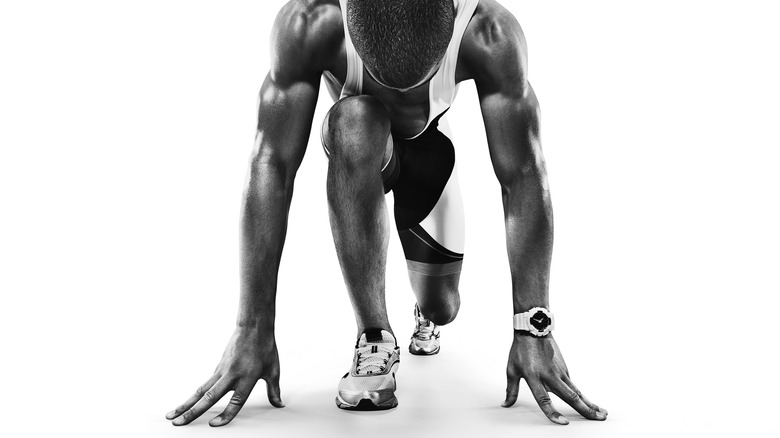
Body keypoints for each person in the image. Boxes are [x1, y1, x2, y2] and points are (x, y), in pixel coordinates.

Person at [165, 0, 608, 426]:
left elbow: (524, 175)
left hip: (430, 154)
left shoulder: (489, 33)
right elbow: (272, 165)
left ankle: (425, 314)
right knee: (354, 121)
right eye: (385, 80)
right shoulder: (309, 23)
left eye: (416, 84)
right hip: (361, 153)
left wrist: (534, 328)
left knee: (443, 307)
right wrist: (251, 326)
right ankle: (374, 335)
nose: (402, 94)